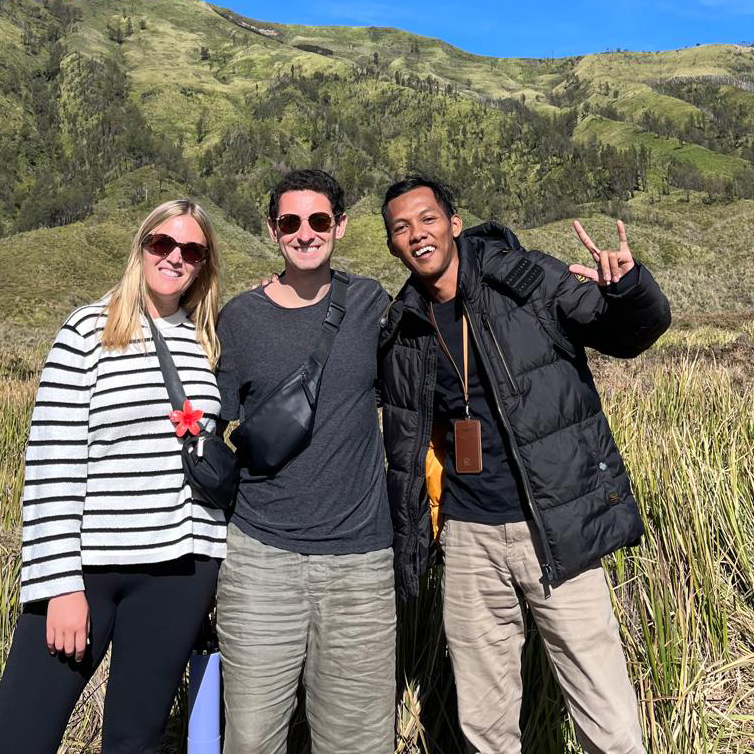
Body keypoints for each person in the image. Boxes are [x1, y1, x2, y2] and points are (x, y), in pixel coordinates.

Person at [379, 176, 671, 754]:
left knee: (606, 714)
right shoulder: (405, 324)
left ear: (454, 224)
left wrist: (628, 288)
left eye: (428, 219)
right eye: (401, 228)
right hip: (468, 536)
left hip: (554, 524)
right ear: (392, 244)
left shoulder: (524, 277)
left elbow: (629, 333)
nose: (417, 234)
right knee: (485, 723)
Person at [0, 199, 227, 754]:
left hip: (181, 570)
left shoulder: (207, 340)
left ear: (204, 264)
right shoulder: (88, 330)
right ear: (140, 248)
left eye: (192, 250)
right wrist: (60, 586)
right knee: (21, 735)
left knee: (135, 739)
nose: (175, 257)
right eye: (162, 243)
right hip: (89, 570)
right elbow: (52, 462)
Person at [215, 168, 396, 754]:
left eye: (318, 220)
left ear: (340, 226)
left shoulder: (370, 303)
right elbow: (210, 423)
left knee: (358, 743)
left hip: (361, 566)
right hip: (259, 560)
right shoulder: (240, 318)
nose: (305, 233)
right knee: (251, 740)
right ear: (273, 230)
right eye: (290, 222)